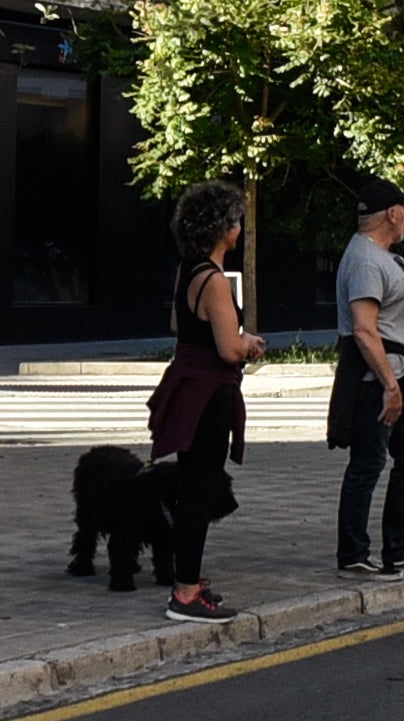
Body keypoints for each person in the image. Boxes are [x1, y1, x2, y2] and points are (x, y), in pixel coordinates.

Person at [147, 180, 266, 623]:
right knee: (199, 491)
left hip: (186, 386)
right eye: (235, 220)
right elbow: (227, 349)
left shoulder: (188, 270)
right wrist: (248, 343)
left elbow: (181, 323)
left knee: (192, 485)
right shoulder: (214, 281)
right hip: (209, 394)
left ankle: (188, 580)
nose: (240, 228)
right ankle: (186, 592)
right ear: (222, 228)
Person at [328, 176, 404, 582]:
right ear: (392, 213)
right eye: (403, 208)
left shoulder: (377, 256)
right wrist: (389, 385)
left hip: (393, 373)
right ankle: (353, 553)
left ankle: (398, 548)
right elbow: (364, 329)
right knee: (368, 462)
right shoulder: (368, 261)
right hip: (377, 380)